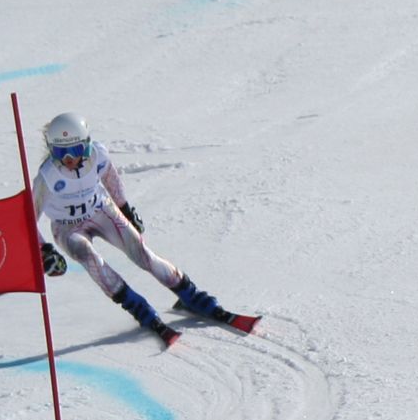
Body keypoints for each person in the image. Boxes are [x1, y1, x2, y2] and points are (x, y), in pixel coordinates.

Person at [32, 112, 254, 347]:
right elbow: (28, 219)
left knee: (142, 253)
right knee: (91, 259)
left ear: (86, 144)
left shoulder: (98, 155)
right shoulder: (47, 177)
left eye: (76, 150)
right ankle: (139, 308)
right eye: (61, 153)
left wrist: (125, 209)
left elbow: (111, 181)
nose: (68, 159)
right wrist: (44, 251)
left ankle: (192, 296)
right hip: (67, 228)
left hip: (101, 211)